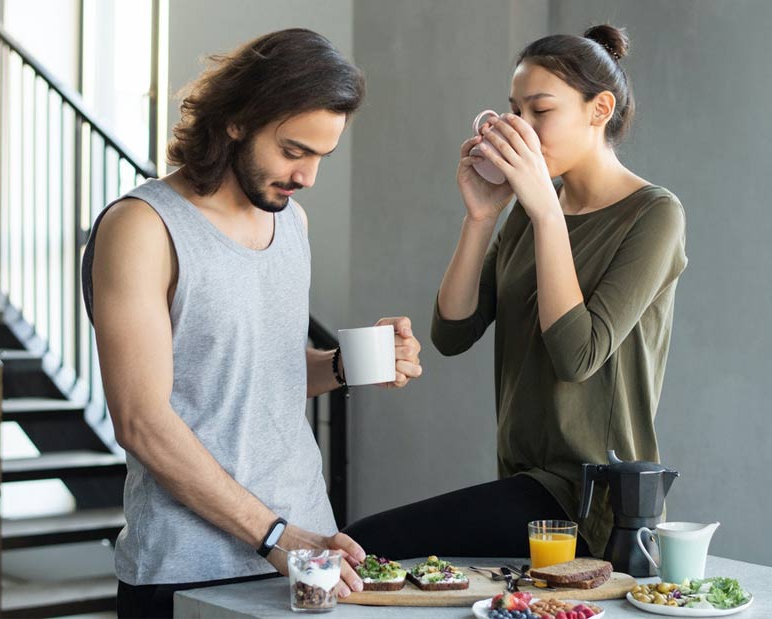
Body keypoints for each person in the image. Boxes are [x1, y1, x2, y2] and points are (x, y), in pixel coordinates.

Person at [81, 29, 423, 618]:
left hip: (309, 559)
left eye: (321, 156)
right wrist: (275, 536)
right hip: (188, 570)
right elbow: (141, 420)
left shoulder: (292, 224)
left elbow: (260, 373)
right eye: (293, 151)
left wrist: (350, 365)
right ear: (237, 120)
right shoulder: (142, 228)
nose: (308, 176)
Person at [344, 25, 687, 563]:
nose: (520, 129)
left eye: (540, 111)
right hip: (525, 481)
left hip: (593, 499)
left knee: (365, 544)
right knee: (371, 553)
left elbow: (577, 355)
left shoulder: (653, 215)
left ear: (599, 109)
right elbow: (453, 332)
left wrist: (546, 211)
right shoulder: (531, 209)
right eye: (514, 111)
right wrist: (481, 217)